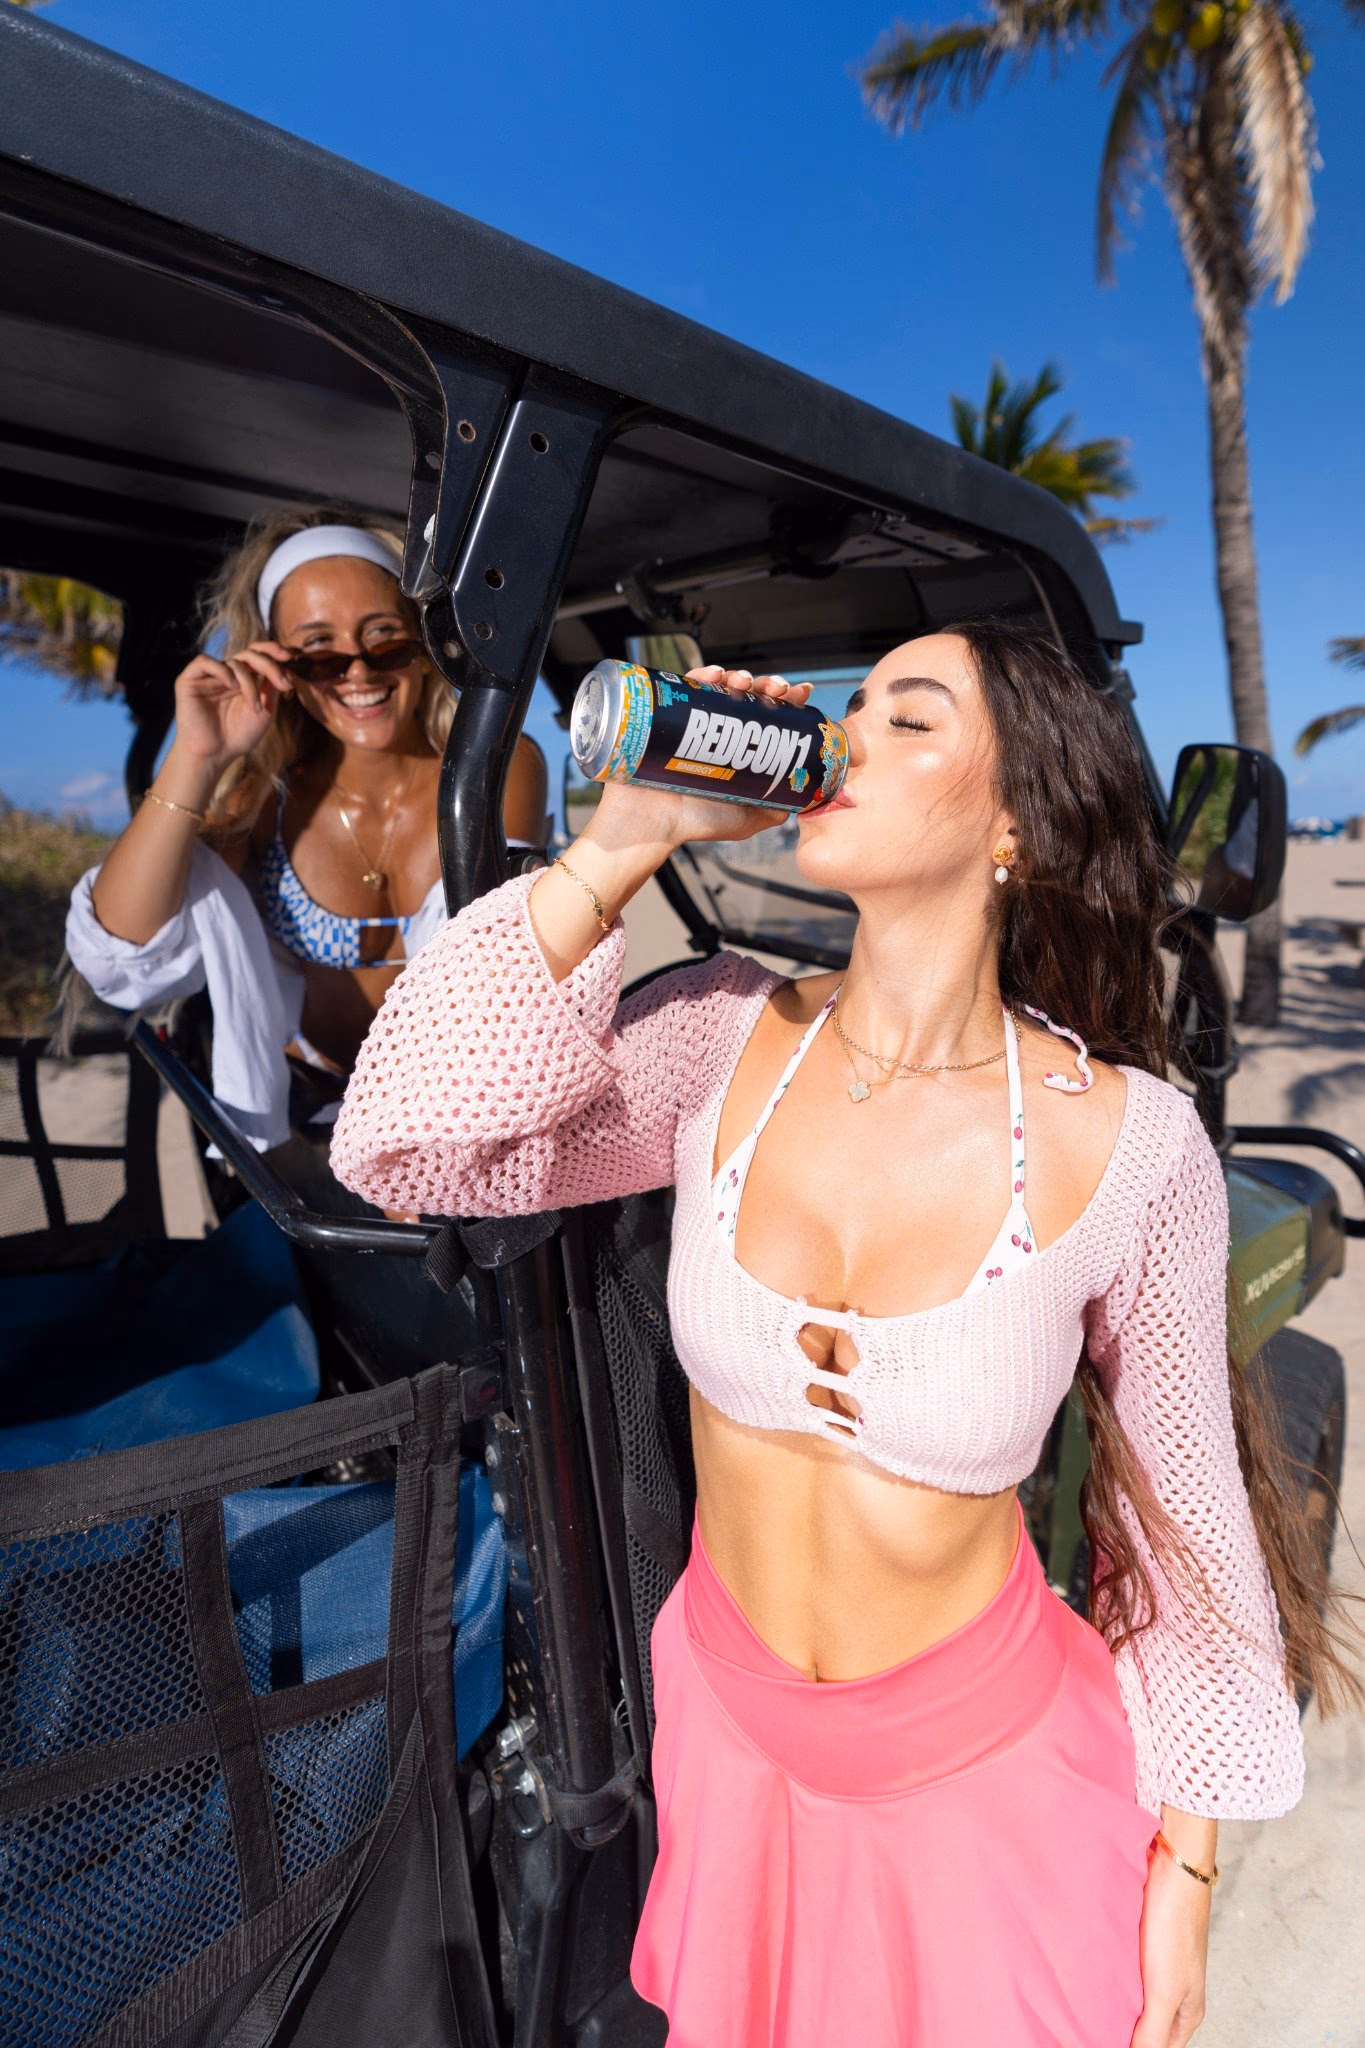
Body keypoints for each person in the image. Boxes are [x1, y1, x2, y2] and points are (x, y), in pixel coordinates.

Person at [330, 620, 1358, 2047]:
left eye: (910, 718)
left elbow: (1181, 1518)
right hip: (732, 1744)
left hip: (985, 1777)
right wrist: (624, 838)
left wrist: (1183, 1873)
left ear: (1015, 822)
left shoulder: (1132, 1144)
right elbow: (413, 1149)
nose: (850, 736)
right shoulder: (721, 1035)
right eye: (849, 707)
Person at [65, 505, 549, 1146]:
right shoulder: (263, 800)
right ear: (279, 664)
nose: (358, 672)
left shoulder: (495, 766)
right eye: (319, 652)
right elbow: (122, 957)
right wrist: (196, 758)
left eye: (385, 639)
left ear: (425, 645)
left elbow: (490, 982)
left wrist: (411, 1156)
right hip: (309, 1112)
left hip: (464, 1114)